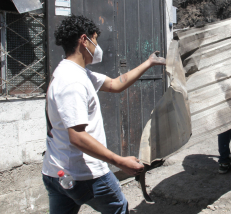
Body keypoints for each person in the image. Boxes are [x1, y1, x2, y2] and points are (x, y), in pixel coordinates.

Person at [42, 15, 166, 214]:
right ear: (84, 40)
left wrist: (149, 63)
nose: (97, 48)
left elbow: (116, 84)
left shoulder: (75, 73)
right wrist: (118, 161)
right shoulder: (73, 81)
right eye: (95, 41)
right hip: (85, 175)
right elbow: (78, 136)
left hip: (56, 173)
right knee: (119, 210)